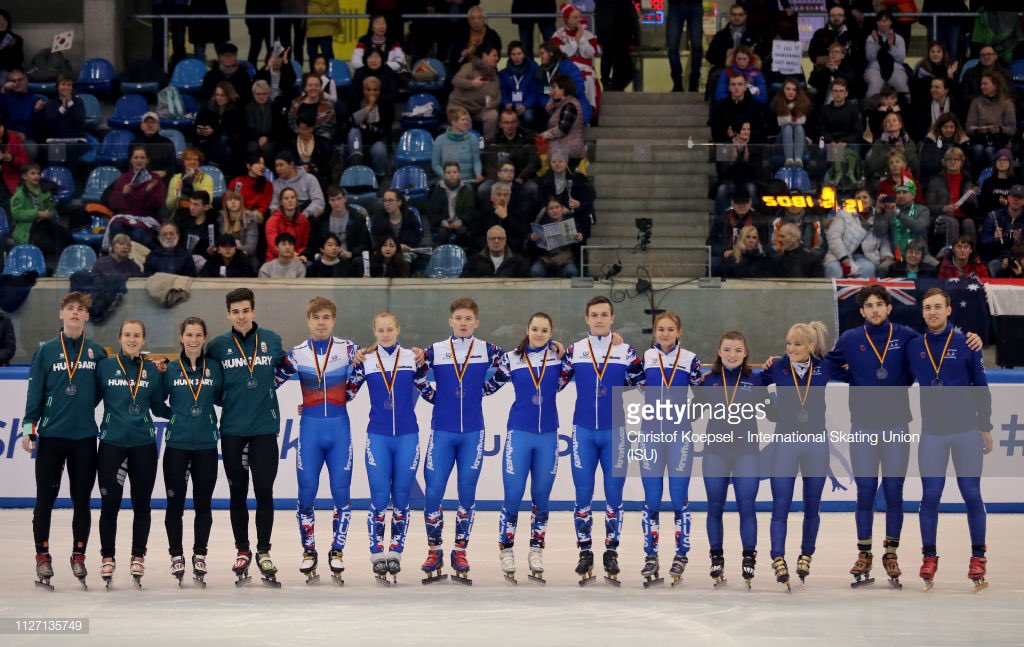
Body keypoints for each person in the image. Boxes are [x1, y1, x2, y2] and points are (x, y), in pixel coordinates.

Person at [907, 288, 992, 591]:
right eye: (927, 307)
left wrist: (985, 425)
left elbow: (980, 386)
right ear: (923, 312)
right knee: (930, 495)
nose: (932, 312)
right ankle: (929, 556)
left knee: (971, 493)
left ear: (949, 310)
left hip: (966, 430)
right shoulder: (914, 346)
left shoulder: (967, 343)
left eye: (938, 307)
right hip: (933, 433)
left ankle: (978, 557)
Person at [23, 293, 108, 589]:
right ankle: (43, 555)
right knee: (44, 500)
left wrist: (82, 408)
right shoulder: (46, 352)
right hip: (51, 438)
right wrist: (28, 427)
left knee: (81, 500)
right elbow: (35, 392)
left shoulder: (96, 353)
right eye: (70, 308)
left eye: (80, 309)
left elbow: (102, 391)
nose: (74, 313)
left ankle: (79, 554)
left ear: (87, 316)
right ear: (61, 314)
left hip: (84, 439)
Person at [417, 297, 505, 583]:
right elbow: (415, 374)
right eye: (459, 319)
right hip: (442, 431)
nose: (464, 323)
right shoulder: (435, 350)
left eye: (469, 319)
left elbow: (515, 360)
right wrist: (434, 396)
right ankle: (434, 550)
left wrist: (486, 389)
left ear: (476, 322)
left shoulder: (487, 349)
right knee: (433, 493)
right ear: (450, 322)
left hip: (472, 434)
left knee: (467, 494)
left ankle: (460, 550)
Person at [205, 288, 289, 585]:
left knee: (264, 492)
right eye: (235, 312)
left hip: (265, 429)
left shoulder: (272, 340)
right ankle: (242, 550)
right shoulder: (217, 347)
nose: (241, 316)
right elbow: (206, 383)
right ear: (228, 314)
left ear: (253, 311)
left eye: (245, 311)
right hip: (232, 432)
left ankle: (264, 550)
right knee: (237, 493)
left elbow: (292, 370)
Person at [559, 296, 644, 583]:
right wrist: (552, 349)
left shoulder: (626, 351)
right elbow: (556, 382)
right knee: (582, 495)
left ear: (612, 318)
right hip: (583, 431)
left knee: (613, 496)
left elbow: (645, 382)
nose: (598, 319)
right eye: (593, 314)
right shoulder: (574, 351)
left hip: (615, 433)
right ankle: (585, 552)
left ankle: (611, 551)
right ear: (586, 318)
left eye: (604, 314)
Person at [346, 311, 433, 582]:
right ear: (374, 332)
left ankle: (395, 552)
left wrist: (456, 402)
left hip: (407, 436)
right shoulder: (366, 360)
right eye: (380, 330)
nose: (385, 334)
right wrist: (314, 402)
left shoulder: (412, 358)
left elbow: (426, 389)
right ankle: (376, 553)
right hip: (379, 437)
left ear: (398, 330)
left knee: (402, 497)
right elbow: (347, 392)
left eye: (389, 329)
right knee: (380, 497)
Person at [481, 312, 568, 582]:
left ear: (551, 332)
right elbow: (487, 387)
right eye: (535, 329)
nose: (539, 334)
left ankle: (535, 550)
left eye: (544, 330)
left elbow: (582, 369)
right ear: (527, 330)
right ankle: (506, 549)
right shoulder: (511, 359)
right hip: (519, 434)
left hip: (548, 436)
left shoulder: (561, 359)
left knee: (541, 497)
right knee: (514, 495)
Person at [282, 297, 360, 583]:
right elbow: (270, 380)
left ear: (334, 320)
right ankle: (309, 551)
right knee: (306, 493)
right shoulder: (296, 354)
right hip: (311, 431)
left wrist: (346, 393)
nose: (321, 322)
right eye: (316, 317)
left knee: (342, 494)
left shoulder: (349, 349)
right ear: (308, 320)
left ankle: (337, 551)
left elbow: (375, 363)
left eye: (326, 317)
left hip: (339, 430)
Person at [760, 322, 836, 590]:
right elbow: (751, 382)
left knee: (811, 504)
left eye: (798, 344)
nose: (791, 348)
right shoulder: (778, 367)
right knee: (781, 503)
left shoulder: (825, 366)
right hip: (786, 443)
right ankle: (777, 556)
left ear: (811, 346)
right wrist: (770, 408)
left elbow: (856, 371)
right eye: (789, 343)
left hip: (816, 442)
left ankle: (806, 553)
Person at [95, 319, 170, 588]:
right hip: (112, 444)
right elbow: (87, 400)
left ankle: (138, 555)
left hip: (143, 445)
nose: (131, 339)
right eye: (127, 334)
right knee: (110, 504)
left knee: (142, 504)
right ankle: (107, 556)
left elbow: (160, 408)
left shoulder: (151, 371)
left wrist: (183, 418)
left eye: (136, 335)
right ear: (119, 337)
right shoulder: (103, 367)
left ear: (143, 340)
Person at [694, 331, 764, 586]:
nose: (731, 355)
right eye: (726, 350)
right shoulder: (709, 380)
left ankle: (748, 556)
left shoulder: (756, 381)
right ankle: (716, 556)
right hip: (716, 451)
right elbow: (691, 414)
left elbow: (775, 414)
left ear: (745, 353)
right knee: (715, 506)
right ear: (719, 352)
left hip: (747, 452)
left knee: (747, 505)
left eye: (737, 350)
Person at [636, 313, 701, 585]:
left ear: (679, 332)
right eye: (660, 329)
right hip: (650, 434)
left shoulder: (690, 359)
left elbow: (701, 389)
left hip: (679, 436)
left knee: (678, 497)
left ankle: (681, 554)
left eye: (670, 329)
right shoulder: (644, 357)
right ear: (654, 332)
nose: (664, 333)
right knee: (651, 498)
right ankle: (650, 555)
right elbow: (637, 383)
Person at [161, 316, 223, 586]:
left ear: (205, 338)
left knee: (203, 504)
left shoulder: (215, 369)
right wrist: (176, 415)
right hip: (177, 445)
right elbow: (155, 402)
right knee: (175, 504)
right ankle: (176, 554)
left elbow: (223, 398)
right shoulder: (170, 370)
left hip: (206, 446)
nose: (194, 340)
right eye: (189, 335)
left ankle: (200, 553)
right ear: (181, 338)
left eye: (199, 335)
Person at [823, 189, 893, 278]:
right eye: (858, 198)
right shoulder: (843, 214)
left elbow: (883, 238)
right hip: (838, 255)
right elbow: (833, 237)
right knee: (834, 269)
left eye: (865, 197)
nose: (862, 200)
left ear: (871, 200)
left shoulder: (878, 215)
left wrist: (886, 255)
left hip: (866, 257)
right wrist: (844, 258)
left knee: (868, 269)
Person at [107, 147, 168, 248]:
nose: (139, 160)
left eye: (142, 158)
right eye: (136, 157)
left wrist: (149, 192)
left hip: (147, 218)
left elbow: (159, 204)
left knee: (138, 234)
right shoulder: (123, 178)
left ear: (147, 160)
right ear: (131, 160)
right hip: (126, 217)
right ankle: (115, 258)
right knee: (116, 227)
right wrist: (123, 193)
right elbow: (112, 203)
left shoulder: (155, 179)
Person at [10, 162, 72, 262]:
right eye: (33, 173)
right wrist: (37, 213)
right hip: (27, 227)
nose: (37, 176)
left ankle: (65, 263)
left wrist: (49, 213)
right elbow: (16, 214)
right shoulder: (19, 195)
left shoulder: (44, 191)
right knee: (44, 243)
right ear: (24, 176)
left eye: (38, 173)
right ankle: (43, 268)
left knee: (66, 235)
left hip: (44, 223)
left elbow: (50, 208)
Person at [550, 4, 601, 115]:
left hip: (586, 69)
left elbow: (590, 53)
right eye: (575, 17)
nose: (579, 20)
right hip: (567, 70)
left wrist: (581, 39)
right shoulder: (558, 35)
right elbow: (564, 54)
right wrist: (575, 42)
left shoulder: (588, 34)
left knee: (588, 78)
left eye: (579, 16)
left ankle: (589, 112)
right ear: (566, 19)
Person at [927, 147, 979, 255]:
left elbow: (975, 208)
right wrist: (943, 208)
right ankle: (949, 255)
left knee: (969, 222)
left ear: (961, 162)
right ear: (944, 162)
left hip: (963, 216)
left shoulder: (967, 179)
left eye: (956, 160)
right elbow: (928, 206)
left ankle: (972, 255)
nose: (952, 162)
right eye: (949, 160)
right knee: (952, 222)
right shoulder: (935, 180)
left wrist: (972, 198)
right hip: (941, 217)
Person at [965, 71, 1016, 172]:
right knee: (978, 149)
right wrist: (979, 130)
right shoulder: (976, 102)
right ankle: (977, 178)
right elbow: (968, 127)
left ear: (995, 85)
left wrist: (999, 129)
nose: (982, 87)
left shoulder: (1007, 103)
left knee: (989, 150)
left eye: (985, 84)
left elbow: (1012, 129)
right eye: (981, 84)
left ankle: (996, 175)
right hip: (980, 139)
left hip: (1000, 141)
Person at [308, 185, 371, 267]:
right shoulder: (321, 220)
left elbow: (365, 245)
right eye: (332, 200)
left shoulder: (357, 219)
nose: (336, 203)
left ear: (345, 199)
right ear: (329, 201)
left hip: (348, 259)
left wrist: (351, 253)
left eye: (339, 199)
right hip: (326, 259)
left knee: (358, 261)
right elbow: (313, 244)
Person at [449, 46, 501, 142]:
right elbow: (455, 81)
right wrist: (472, 83)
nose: (497, 58)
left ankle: (487, 146)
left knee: (493, 115)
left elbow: (498, 96)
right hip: (459, 105)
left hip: (479, 109)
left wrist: (494, 104)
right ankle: (466, 148)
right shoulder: (469, 67)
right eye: (494, 55)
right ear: (485, 56)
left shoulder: (494, 76)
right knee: (464, 119)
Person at [534, 42, 592, 127]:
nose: (540, 57)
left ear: (551, 53)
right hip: (554, 107)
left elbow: (580, 87)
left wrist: (563, 93)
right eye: (539, 54)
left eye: (542, 53)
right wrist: (546, 102)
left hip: (573, 103)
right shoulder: (541, 71)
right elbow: (539, 90)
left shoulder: (567, 66)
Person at [346, 76, 392, 178]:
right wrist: (369, 107)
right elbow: (352, 122)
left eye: (375, 90)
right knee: (354, 131)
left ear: (379, 91)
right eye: (368, 90)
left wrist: (364, 126)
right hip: (359, 139)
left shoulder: (386, 106)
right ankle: (355, 164)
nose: (372, 93)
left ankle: (378, 177)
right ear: (363, 90)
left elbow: (382, 130)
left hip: (377, 140)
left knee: (379, 149)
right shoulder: (355, 102)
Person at [195, 81, 244, 175]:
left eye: (222, 95)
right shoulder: (207, 107)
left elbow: (232, 129)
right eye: (217, 95)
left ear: (229, 96)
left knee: (224, 140)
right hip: (208, 139)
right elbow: (197, 123)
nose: (219, 98)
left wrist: (213, 131)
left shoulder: (236, 110)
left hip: (230, 141)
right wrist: (199, 130)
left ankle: (213, 165)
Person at [528, 197, 584, 277]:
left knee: (572, 271)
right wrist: (532, 239)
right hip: (546, 260)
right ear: (547, 211)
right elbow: (531, 249)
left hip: (565, 260)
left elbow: (579, 243)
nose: (555, 210)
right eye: (551, 208)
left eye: (557, 207)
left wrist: (579, 237)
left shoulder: (570, 222)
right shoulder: (541, 224)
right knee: (535, 271)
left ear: (562, 208)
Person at [427, 161, 478, 248]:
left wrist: (461, 221)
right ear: (444, 174)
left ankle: (465, 256)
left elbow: (471, 211)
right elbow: (432, 212)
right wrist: (441, 221)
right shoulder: (437, 191)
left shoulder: (466, 191)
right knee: (442, 233)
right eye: (448, 172)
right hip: (443, 224)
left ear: (459, 173)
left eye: (454, 172)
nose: (452, 175)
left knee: (463, 232)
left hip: (461, 223)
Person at [540, 75, 586, 166]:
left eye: (555, 87)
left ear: (563, 89)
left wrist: (545, 135)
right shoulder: (563, 104)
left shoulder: (570, 105)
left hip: (569, 152)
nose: (552, 90)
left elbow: (563, 129)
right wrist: (551, 100)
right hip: (563, 150)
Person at [979, 183, 1024, 276]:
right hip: (998, 256)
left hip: (1021, 258)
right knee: (992, 266)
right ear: (1008, 198)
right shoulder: (994, 216)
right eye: (1013, 196)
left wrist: (1020, 241)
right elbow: (982, 242)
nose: (1016, 199)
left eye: (1020, 197)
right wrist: (995, 239)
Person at [918, 113, 970, 188]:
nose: (949, 130)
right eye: (945, 127)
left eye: (951, 127)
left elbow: (966, 166)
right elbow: (927, 166)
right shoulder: (932, 142)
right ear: (940, 128)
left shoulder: (962, 143)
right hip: (934, 179)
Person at [476, 181, 530, 253]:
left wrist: (506, 218)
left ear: (509, 198)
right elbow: (476, 238)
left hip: (511, 253)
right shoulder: (483, 212)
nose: (502, 198)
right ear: (492, 198)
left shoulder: (517, 211)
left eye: (505, 195)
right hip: (488, 251)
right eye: (499, 195)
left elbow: (523, 233)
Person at [863, 11, 908, 96]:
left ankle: (904, 108)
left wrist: (891, 47)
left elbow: (901, 58)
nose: (881, 24)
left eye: (884, 21)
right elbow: (869, 58)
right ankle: (871, 108)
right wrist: (877, 43)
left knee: (901, 83)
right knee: (875, 85)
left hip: (895, 68)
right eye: (879, 21)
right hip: (875, 68)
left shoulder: (898, 38)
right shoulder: (870, 38)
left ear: (890, 22)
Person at [770, 78, 812, 167]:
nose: (791, 92)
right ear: (783, 91)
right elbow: (771, 130)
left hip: (801, 142)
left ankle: (798, 159)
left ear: (798, 92)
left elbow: (809, 129)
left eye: (794, 89)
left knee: (799, 128)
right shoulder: (775, 105)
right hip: (781, 144)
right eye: (788, 89)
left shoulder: (806, 106)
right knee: (788, 127)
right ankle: (788, 159)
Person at [166, 148, 214, 225]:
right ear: (184, 162)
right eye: (189, 159)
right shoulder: (176, 179)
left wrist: (196, 183)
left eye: (195, 159)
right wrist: (177, 193)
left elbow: (208, 200)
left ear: (199, 162)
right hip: (182, 213)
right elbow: (170, 206)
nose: (192, 162)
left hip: (201, 213)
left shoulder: (207, 178)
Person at [460, 224, 529, 277]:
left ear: (505, 241)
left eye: (500, 238)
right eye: (493, 238)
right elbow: (463, 282)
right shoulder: (474, 261)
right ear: (487, 241)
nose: (496, 241)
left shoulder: (518, 262)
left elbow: (528, 285)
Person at [270, 151, 325, 217]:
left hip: (307, 216)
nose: (278, 169)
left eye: (281, 165)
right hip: (285, 216)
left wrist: (304, 214)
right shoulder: (276, 184)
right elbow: (274, 204)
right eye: (276, 166)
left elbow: (319, 202)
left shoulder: (309, 179)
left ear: (291, 165)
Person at [500, 42, 542, 127]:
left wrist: (525, 105)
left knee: (528, 117)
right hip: (510, 106)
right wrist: (507, 103)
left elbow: (535, 91)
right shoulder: (503, 73)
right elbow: (502, 91)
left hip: (527, 106)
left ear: (524, 55)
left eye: (519, 53)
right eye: (513, 54)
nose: (516, 57)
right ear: (509, 56)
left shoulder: (533, 71)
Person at [265, 190, 311, 265]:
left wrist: (298, 255)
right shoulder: (272, 221)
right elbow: (274, 245)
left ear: (296, 201)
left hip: (297, 257)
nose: (290, 200)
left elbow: (305, 244)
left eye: (293, 197)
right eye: (286, 198)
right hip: (276, 259)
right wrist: (292, 255)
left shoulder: (303, 220)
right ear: (281, 202)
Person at [449, 5, 502, 71]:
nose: (476, 21)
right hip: (465, 70)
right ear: (468, 20)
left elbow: (497, 57)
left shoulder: (492, 35)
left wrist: (477, 48)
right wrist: (462, 55)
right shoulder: (462, 34)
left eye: (479, 18)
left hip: (486, 70)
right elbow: (453, 59)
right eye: (473, 18)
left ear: (484, 19)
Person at [665, 0, 703, 92]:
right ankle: (677, 82)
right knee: (672, 46)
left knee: (697, 45)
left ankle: (694, 81)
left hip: (695, 4)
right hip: (675, 5)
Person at [219, 189, 263, 265]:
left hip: (246, 260)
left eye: (236, 199)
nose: (233, 202)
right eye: (229, 200)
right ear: (225, 203)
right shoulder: (220, 221)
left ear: (241, 202)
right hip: (224, 260)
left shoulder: (250, 221)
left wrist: (231, 249)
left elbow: (251, 248)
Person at [288, 74, 337, 142]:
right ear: (305, 88)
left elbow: (328, 128)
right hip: (297, 138)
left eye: (317, 85)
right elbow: (291, 122)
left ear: (320, 88)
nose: (313, 88)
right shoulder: (296, 102)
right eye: (310, 85)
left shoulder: (328, 107)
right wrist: (300, 132)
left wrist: (308, 132)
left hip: (319, 141)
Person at [288, 116, 334, 187]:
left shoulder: (322, 143)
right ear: (297, 129)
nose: (305, 132)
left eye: (308, 129)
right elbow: (289, 163)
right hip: (297, 176)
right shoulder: (291, 143)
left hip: (318, 177)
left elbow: (326, 166)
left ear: (312, 128)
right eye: (302, 129)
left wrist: (312, 168)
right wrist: (300, 168)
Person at [175, 191, 219, 263]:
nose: (192, 207)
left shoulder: (212, 227)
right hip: (182, 259)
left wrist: (211, 253)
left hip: (202, 262)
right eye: (191, 203)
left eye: (196, 205)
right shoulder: (183, 222)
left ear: (206, 207)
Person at [130, 112, 177, 180]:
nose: (150, 125)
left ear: (158, 126)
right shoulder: (134, 143)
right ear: (141, 126)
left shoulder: (167, 143)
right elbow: (130, 167)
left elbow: (173, 166)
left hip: (162, 180)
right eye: (147, 122)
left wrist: (165, 172)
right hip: (140, 180)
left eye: (153, 122)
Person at [0, 10, 25, 78]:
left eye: (4, 20)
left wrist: (12, 48)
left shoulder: (16, 39)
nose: (1, 23)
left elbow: (19, 60)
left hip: (9, 70)